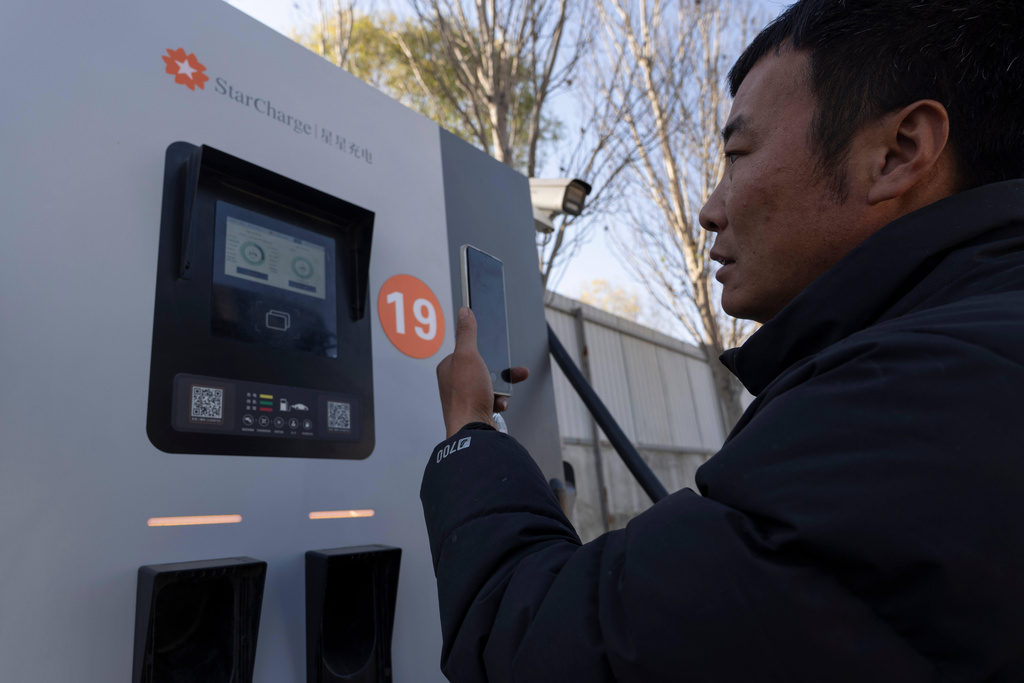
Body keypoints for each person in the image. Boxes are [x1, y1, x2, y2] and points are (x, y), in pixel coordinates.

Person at [421, 0, 1024, 680]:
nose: (710, 209)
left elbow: (546, 646)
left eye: (737, 152)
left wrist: (469, 435)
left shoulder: (922, 396)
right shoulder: (974, 347)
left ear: (898, 153)